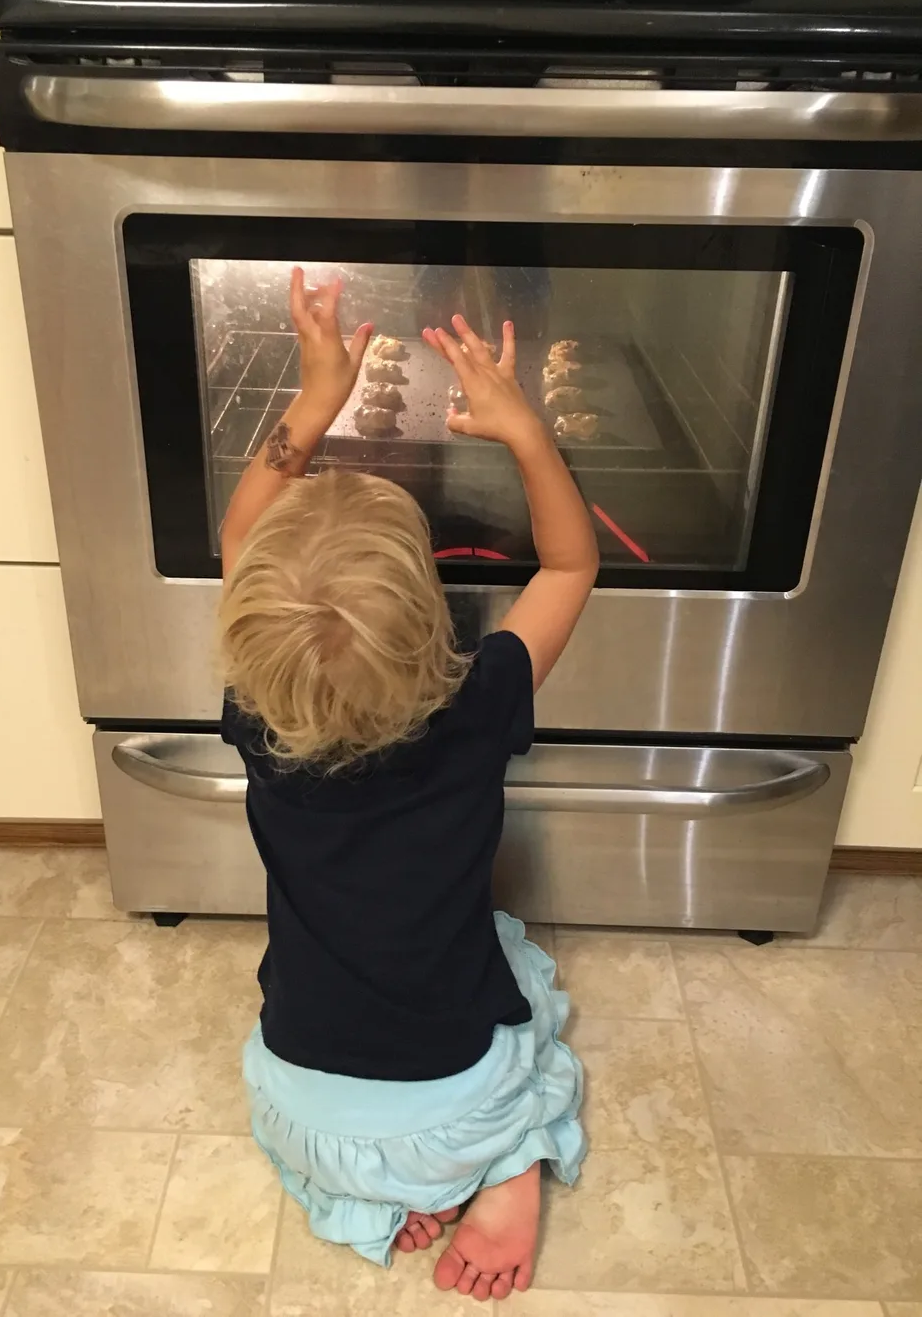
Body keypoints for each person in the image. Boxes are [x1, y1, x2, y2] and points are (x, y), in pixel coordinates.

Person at [218, 267, 600, 1301]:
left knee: (356, 1098)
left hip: (299, 1109)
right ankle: (504, 1169)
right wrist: (525, 433)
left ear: (254, 628)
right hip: (452, 1101)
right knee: (521, 983)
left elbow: (240, 534)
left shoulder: (258, 709)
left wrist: (314, 397)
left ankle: (382, 1188)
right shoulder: (476, 705)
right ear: (434, 615)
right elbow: (570, 566)